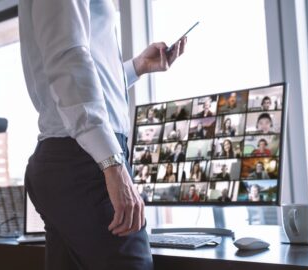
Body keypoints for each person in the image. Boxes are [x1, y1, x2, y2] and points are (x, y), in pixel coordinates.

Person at [19, 0, 186, 268]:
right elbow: (68, 61)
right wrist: (112, 163)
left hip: (70, 158)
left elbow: (82, 66)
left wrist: (137, 66)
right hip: (84, 160)